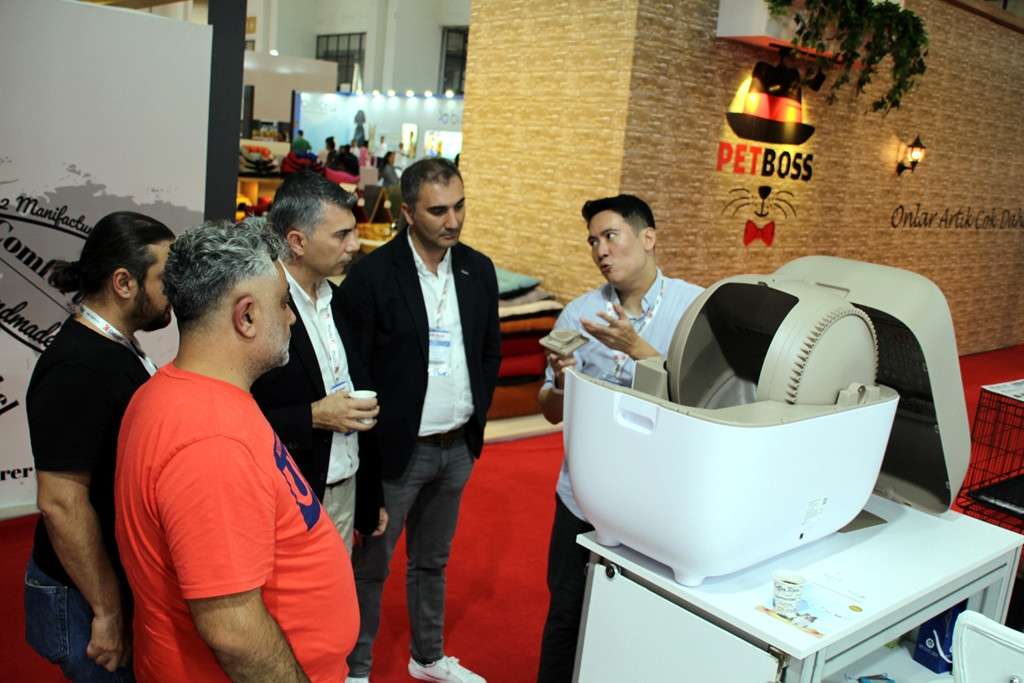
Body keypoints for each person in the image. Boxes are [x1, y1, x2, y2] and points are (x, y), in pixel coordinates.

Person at [115, 222, 359, 682]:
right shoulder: (211, 443)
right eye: (283, 303)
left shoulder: (184, 394)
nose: (291, 318)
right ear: (245, 316)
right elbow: (234, 632)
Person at [337, 158, 501, 683]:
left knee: (432, 561)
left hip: (457, 447)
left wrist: (475, 422)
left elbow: (489, 352)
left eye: (459, 206)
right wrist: (369, 462)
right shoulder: (371, 277)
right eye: (438, 211)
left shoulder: (478, 270)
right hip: (396, 453)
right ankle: (355, 671)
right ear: (408, 212)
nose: (453, 221)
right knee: (371, 569)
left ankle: (427, 657)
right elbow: (357, 371)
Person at [535, 194, 704, 683]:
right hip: (582, 495)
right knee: (565, 612)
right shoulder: (580, 313)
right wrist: (561, 381)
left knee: (634, 622)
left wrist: (637, 348)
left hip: (654, 503)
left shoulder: (691, 308)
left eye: (611, 236)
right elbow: (549, 411)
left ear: (647, 238)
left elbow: (699, 401)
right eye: (593, 241)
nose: (601, 251)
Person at [24, 211, 175, 682]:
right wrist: (107, 610)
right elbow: (61, 502)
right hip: (81, 596)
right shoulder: (77, 366)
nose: (174, 291)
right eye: (165, 278)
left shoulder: (114, 348)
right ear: (124, 283)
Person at [251, 172, 383, 553]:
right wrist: (312, 416)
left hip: (345, 482)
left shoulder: (339, 301)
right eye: (342, 235)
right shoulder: (259, 309)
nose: (354, 245)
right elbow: (236, 413)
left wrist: (369, 497)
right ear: (297, 241)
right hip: (288, 494)